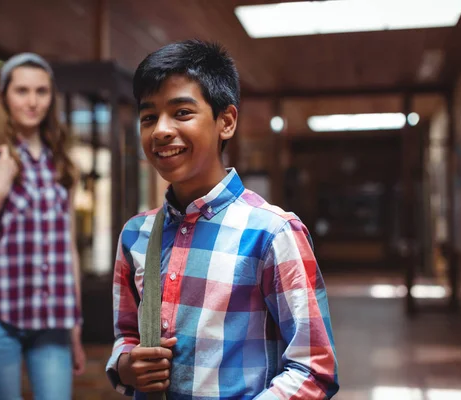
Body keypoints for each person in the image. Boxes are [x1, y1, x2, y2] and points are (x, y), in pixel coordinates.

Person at [106, 40, 339, 399]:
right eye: (148, 117)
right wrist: (125, 365)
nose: (161, 130)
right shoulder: (136, 234)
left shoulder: (272, 232)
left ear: (225, 122)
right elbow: (127, 335)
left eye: (181, 112)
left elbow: (313, 368)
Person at [0, 53, 85, 400]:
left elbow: (67, 247)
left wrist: (75, 323)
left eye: (41, 91)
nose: (32, 101)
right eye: (22, 90)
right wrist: (0, 189)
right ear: (4, 95)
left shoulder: (62, 162)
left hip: (54, 321)